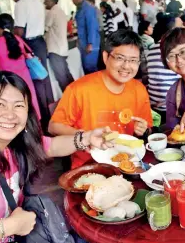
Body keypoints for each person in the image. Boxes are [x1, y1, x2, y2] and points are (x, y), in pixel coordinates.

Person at [0, 71, 114, 243]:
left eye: (19, 106)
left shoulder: (11, 143)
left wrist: (87, 138)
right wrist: (12, 226)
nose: (10, 114)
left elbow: (50, 146)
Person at [48, 29, 153, 168]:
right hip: (87, 164)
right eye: (120, 58)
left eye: (133, 60)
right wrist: (87, 137)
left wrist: (144, 130)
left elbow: (148, 128)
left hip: (126, 163)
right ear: (105, 57)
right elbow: (53, 127)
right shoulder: (79, 89)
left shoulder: (139, 89)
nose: (126, 66)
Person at [6, 0, 54, 132]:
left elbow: (19, 31)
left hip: (29, 45)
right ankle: (51, 113)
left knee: (35, 82)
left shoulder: (21, 4)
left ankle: (44, 122)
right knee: (44, 78)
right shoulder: (37, 2)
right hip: (40, 42)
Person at [0, 13, 41, 119]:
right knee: (30, 102)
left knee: (16, 107)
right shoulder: (18, 39)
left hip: (9, 80)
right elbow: (28, 53)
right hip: (25, 78)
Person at [145, 16, 181, 121]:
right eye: (181, 27)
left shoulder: (151, 50)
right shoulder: (176, 51)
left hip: (154, 106)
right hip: (172, 108)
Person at [44, 0, 74, 92]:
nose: (44, 2)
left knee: (61, 78)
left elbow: (44, 29)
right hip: (62, 48)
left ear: (52, 1)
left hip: (55, 49)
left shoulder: (52, 12)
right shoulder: (60, 11)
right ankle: (76, 96)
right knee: (67, 75)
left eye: (46, 0)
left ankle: (69, 100)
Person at [69, 0, 100, 75]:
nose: (72, 1)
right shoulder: (80, 9)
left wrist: (90, 44)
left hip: (89, 44)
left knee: (90, 68)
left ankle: (96, 87)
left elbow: (92, 27)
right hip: (84, 43)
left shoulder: (88, 9)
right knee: (86, 68)